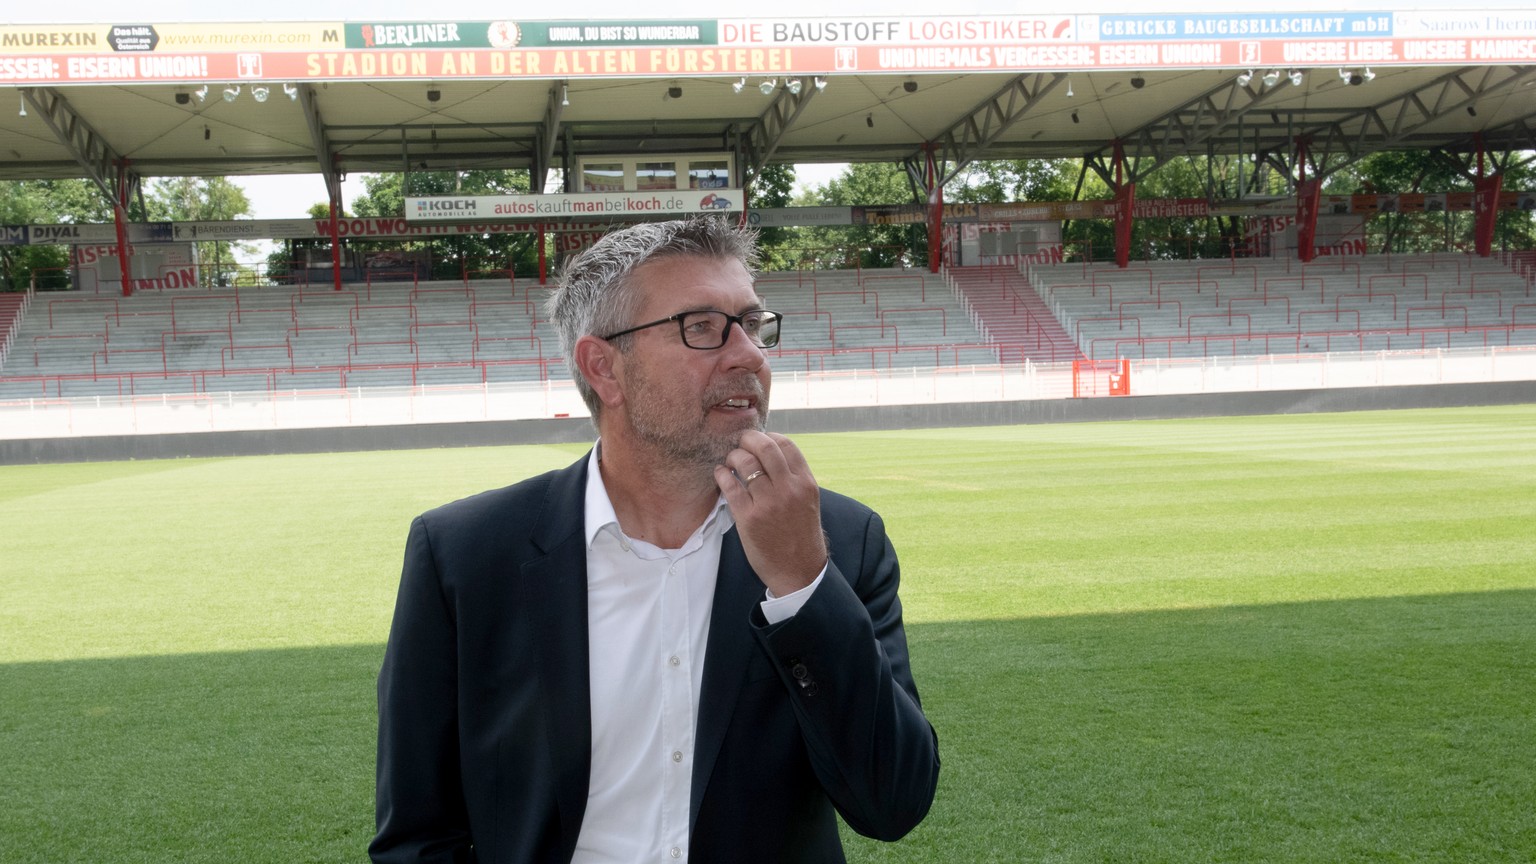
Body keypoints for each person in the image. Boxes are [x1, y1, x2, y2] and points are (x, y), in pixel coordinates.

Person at [370, 216, 940, 864]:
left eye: (753, 325)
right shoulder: (465, 559)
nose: (750, 355)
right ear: (603, 368)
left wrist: (804, 584)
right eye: (702, 328)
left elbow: (893, 803)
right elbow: (417, 837)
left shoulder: (841, 540)